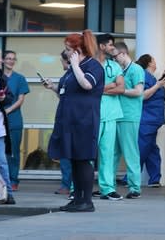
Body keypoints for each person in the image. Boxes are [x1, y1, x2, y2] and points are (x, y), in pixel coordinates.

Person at [45, 30, 104, 212]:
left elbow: (87, 84)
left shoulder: (93, 66)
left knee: (83, 159)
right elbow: (67, 91)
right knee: (74, 160)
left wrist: (76, 65)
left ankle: (86, 201)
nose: (67, 54)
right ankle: (77, 199)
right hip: (69, 120)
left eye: (69, 50)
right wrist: (53, 87)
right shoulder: (72, 69)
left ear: (78, 50)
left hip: (84, 120)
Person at [95, 33, 125, 201]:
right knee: (87, 153)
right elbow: (88, 88)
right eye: (110, 45)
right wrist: (111, 84)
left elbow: (121, 88)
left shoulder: (114, 66)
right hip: (93, 114)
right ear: (102, 46)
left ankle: (107, 189)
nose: (113, 48)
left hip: (111, 114)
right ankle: (76, 188)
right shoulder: (89, 65)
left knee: (107, 153)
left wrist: (100, 89)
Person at [112, 42, 144, 199]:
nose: (114, 59)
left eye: (115, 56)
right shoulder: (119, 70)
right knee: (112, 153)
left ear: (123, 54)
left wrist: (121, 90)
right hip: (117, 115)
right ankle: (108, 187)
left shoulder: (136, 69)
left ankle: (135, 187)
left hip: (130, 115)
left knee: (130, 152)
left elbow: (139, 92)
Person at [136, 54, 165, 188]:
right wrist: (159, 85)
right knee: (143, 148)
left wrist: (161, 81)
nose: (156, 63)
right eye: (154, 60)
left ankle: (155, 178)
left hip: (153, 119)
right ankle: (130, 176)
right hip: (147, 119)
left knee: (151, 149)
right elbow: (143, 95)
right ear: (149, 63)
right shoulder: (143, 75)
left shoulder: (153, 78)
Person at [0, 50, 29, 192]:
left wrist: (8, 110)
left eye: (13, 59)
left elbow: (21, 99)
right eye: (8, 58)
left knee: (13, 152)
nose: (11, 61)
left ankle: (13, 180)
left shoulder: (20, 78)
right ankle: (0, 181)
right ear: (3, 61)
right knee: (0, 153)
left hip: (14, 121)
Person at [0, 50, 15, 205]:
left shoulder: (0, 77)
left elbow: (10, 97)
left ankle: (8, 194)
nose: (1, 61)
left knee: (2, 161)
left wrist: (3, 98)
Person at [54, 50, 73, 196]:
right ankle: (67, 184)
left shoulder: (73, 76)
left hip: (69, 120)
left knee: (67, 153)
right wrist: (52, 87)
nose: (61, 63)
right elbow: (63, 94)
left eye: (61, 60)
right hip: (63, 118)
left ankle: (68, 185)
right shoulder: (66, 77)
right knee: (64, 152)